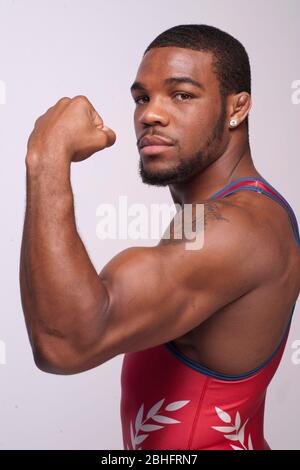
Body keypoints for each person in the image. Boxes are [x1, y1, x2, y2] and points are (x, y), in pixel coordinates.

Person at [20, 24, 300, 450]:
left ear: (237, 108)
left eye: (182, 94)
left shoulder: (236, 230)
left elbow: (66, 344)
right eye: (142, 98)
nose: (150, 113)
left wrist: (47, 157)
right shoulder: (223, 216)